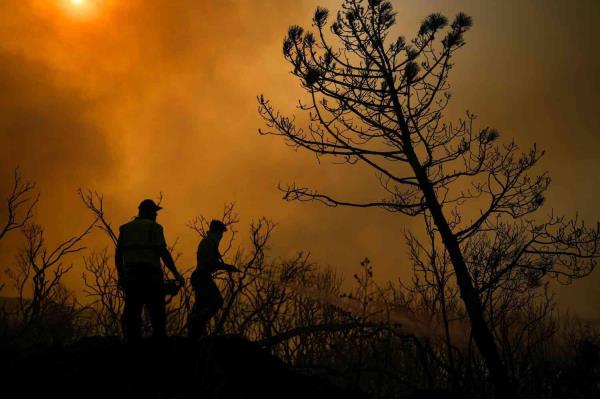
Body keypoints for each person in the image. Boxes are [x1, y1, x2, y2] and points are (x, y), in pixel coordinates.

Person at [115, 199, 185, 342]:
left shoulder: (125, 228)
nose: (156, 215)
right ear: (149, 212)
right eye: (155, 212)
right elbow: (162, 252)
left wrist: (121, 275)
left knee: (132, 314)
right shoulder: (155, 227)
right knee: (157, 314)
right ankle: (159, 348)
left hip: (131, 276)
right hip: (150, 276)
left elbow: (118, 255)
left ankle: (133, 347)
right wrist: (176, 273)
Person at [188, 219, 239, 338]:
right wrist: (226, 266)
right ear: (216, 231)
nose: (222, 236)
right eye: (221, 232)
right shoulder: (208, 242)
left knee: (202, 305)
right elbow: (209, 263)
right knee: (216, 301)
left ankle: (196, 332)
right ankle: (196, 324)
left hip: (201, 276)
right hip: (201, 276)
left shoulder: (210, 242)